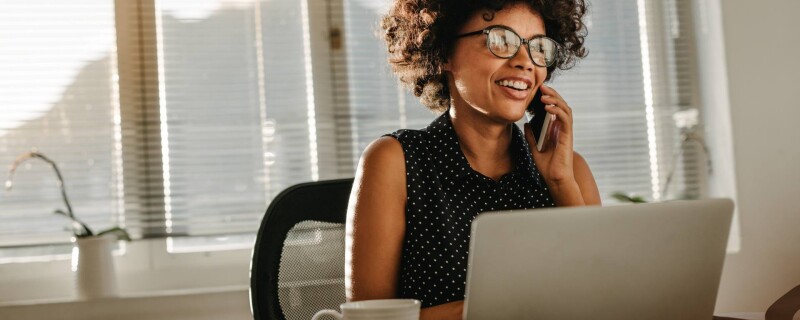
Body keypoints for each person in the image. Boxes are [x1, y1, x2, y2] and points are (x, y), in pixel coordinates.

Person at [345, 0, 600, 319]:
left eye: (538, 47)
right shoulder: (394, 162)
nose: (525, 62)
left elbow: (602, 300)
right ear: (445, 51)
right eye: (501, 40)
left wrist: (561, 183)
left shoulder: (569, 170)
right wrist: (501, 308)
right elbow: (370, 318)